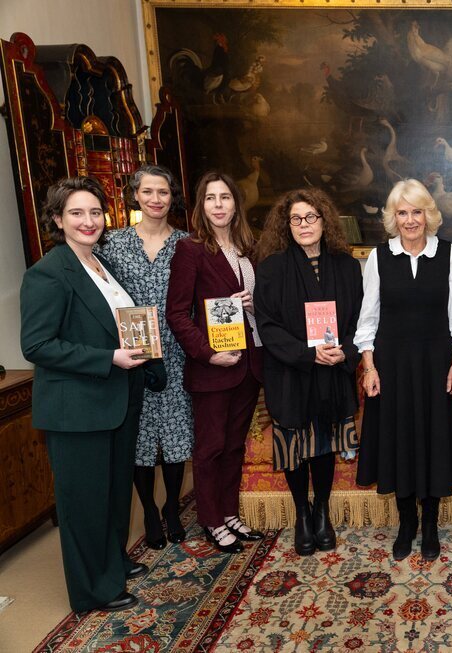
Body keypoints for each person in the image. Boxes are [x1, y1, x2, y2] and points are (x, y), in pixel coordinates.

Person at [20, 177, 166, 613]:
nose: (88, 221)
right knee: (84, 503)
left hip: (117, 400)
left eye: (95, 212)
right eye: (76, 213)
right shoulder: (48, 273)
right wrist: (109, 358)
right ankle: (93, 590)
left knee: (114, 493)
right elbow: (38, 345)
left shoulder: (101, 264)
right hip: (78, 409)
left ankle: (112, 563)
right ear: (57, 219)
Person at [355, 178, 452, 562]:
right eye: (402, 212)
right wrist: (369, 368)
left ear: (428, 215)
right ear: (394, 217)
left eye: (416, 212)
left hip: (436, 365)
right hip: (391, 367)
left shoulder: (448, 254)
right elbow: (367, 319)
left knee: (434, 441)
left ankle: (431, 525)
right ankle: (407, 524)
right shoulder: (379, 257)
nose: (410, 220)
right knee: (399, 442)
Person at [255, 188, 363, 555]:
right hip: (292, 372)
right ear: (286, 225)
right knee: (295, 448)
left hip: (333, 370)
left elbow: (361, 319)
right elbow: (267, 326)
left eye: (311, 217)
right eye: (296, 219)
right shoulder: (271, 268)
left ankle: (322, 511)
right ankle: (302, 512)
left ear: (324, 220)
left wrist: (345, 351)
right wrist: (306, 354)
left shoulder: (347, 266)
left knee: (325, 444)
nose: (304, 225)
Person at [167, 172, 264, 554]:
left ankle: (229, 513)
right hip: (212, 367)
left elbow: (263, 302)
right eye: (211, 198)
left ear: (236, 203)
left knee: (235, 446)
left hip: (249, 363)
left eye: (225, 197)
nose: (219, 204)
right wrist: (208, 353)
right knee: (210, 448)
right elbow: (177, 314)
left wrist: (255, 304)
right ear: (201, 205)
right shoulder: (190, 249)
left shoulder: (249, 247)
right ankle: (211, 519)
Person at [99, 164, 192, 550]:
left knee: (175, 435)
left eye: (163, 192)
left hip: (177, 351)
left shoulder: (188, 243)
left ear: (172, 197)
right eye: (148, 191)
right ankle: (150, 512)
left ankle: (172, 507)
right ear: (135, 195)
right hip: (132, 354)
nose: (156, 199)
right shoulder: (111, 243)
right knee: (139, 439)